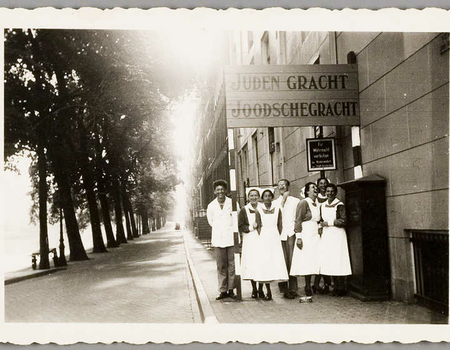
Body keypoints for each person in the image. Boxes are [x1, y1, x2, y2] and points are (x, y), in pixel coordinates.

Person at [254, 188, 289, 300]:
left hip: (274, 237)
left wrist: (275, 235)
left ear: (272, 197)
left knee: (274, 262)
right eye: (265, 196)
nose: (267, 198)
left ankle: (271, 288)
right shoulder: (259, 210)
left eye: (269, 196)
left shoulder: (277, 208)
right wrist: (263, 236)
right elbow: (258, 225)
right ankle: (267, 290)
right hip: (264, 237)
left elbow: (280, 224)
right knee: (265, 262)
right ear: (262, 198)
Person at [206, 179, 238, 300]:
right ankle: (222, 290)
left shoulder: (232, 203)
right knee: (221, 266)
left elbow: (236, 217)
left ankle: (231, 290)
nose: (220, 192)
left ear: (225, 191)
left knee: (232, 264)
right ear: (215, 191)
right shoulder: (211, 206)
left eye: (222, 189)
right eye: (217, 189)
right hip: (218, 239)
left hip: (230, 239)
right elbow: (211, 222)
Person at [319, 183, 352, 296]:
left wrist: (329, 223)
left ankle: (341, 288)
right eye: (328, 191)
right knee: (330, 260)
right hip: (327, 236)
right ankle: (335, 287)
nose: (330, 193)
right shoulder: (322, 205)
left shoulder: (339, 205)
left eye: (332, 191)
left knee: (339, 259)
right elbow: (320, 220)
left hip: (338, 235)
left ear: (335, 192)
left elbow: (343, 221)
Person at [291, 182, 321, 302]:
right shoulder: (304, 202)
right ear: (307, 191)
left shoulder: (317, 203)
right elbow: (298, 220)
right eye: (313, 188)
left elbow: (318, 220)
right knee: (307, 259)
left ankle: (316, 284)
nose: (315, 189)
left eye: (316, 188)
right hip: (306, 233)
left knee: (316, 258)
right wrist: (299, 236)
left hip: (315, 234)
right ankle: (307, 285)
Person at [273, 179, 300, 299]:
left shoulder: (296, 201)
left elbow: (298, 218)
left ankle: (293, 289)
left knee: (292, 261)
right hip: (279, 235)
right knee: (281, 261)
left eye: (284, 185)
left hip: (291, 233)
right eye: (279, 186)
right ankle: (284, 289)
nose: (281, 187)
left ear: (288, 186)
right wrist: (283, 200)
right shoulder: (275, 202)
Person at [238, 188, 262, 299]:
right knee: (252, 263)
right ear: (248, 198)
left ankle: (261, 289)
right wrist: (251, 227)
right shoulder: (244, 210)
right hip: (249, 239)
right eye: (251, 195)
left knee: (261, 263)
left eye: (255, 195)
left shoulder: (262, 208)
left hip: (261, 238)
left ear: (258, 197)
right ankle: (254, 289)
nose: (253, 197)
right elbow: (241, 225)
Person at [313, 177, 332, 294]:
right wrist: (319, 227)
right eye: (321, 184)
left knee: (327, 256)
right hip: (318, 229)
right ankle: (316, 284)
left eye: (325, 184)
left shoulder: (331, 197)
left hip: (329, 230)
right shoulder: (315, 199)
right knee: (319, 256)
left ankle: (326, 283)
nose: (323, 186)